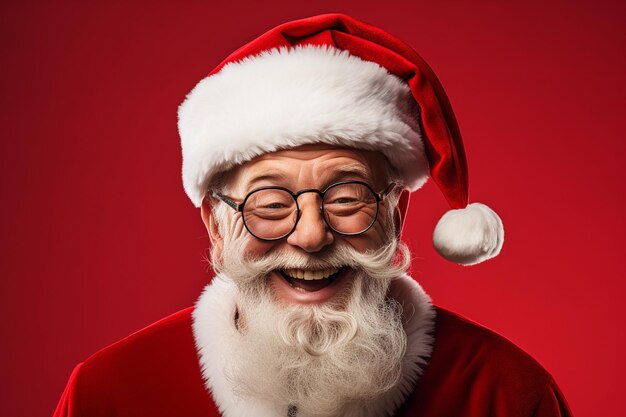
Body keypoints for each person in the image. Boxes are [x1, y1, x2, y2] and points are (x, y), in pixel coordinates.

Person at [53, 13, 573, 417]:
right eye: (271, 204)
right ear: (216, 226)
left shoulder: (506, 395)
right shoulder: (109, 395)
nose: (310, 234)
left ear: (395, 211)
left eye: (347, 198)